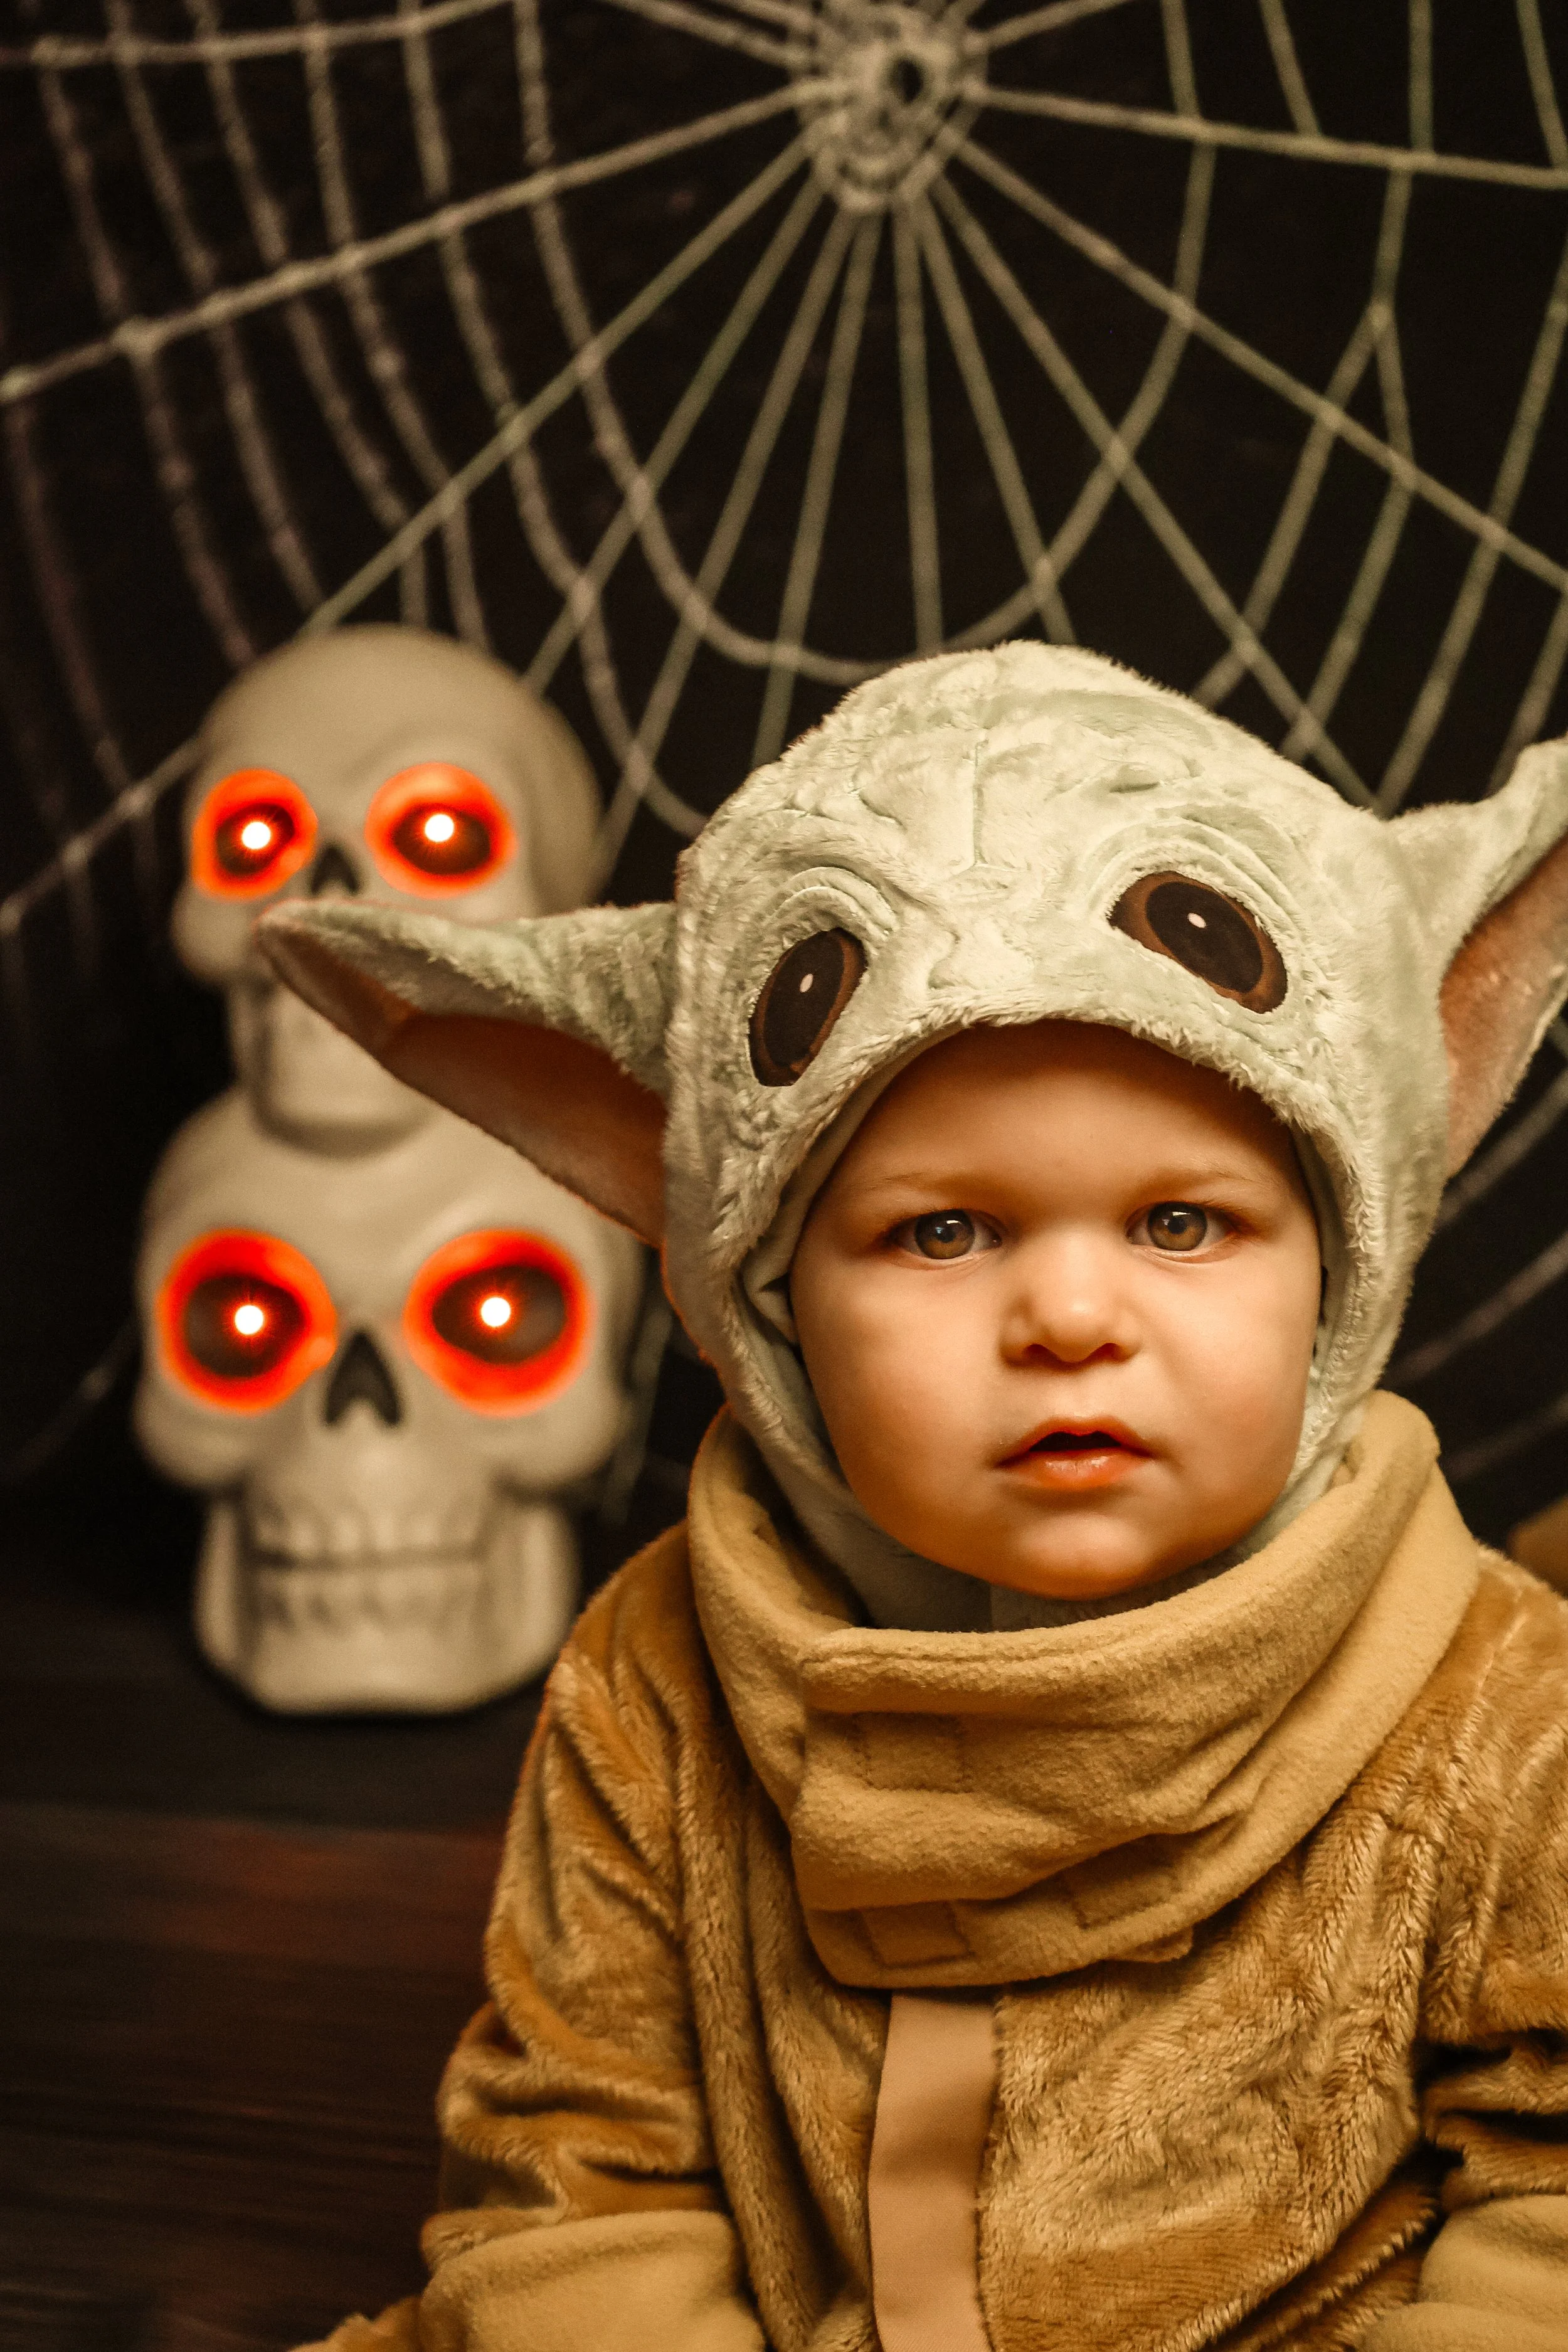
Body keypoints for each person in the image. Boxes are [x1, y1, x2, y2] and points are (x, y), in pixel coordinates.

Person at [262, 644, 1568, 2351]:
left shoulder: (1497, 1707)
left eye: (1181, 1221)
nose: (1072, 1320)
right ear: (765, 1289)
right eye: (941, 1230)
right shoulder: (655, 1680)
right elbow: (582, 2173)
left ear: (1340, 1263)